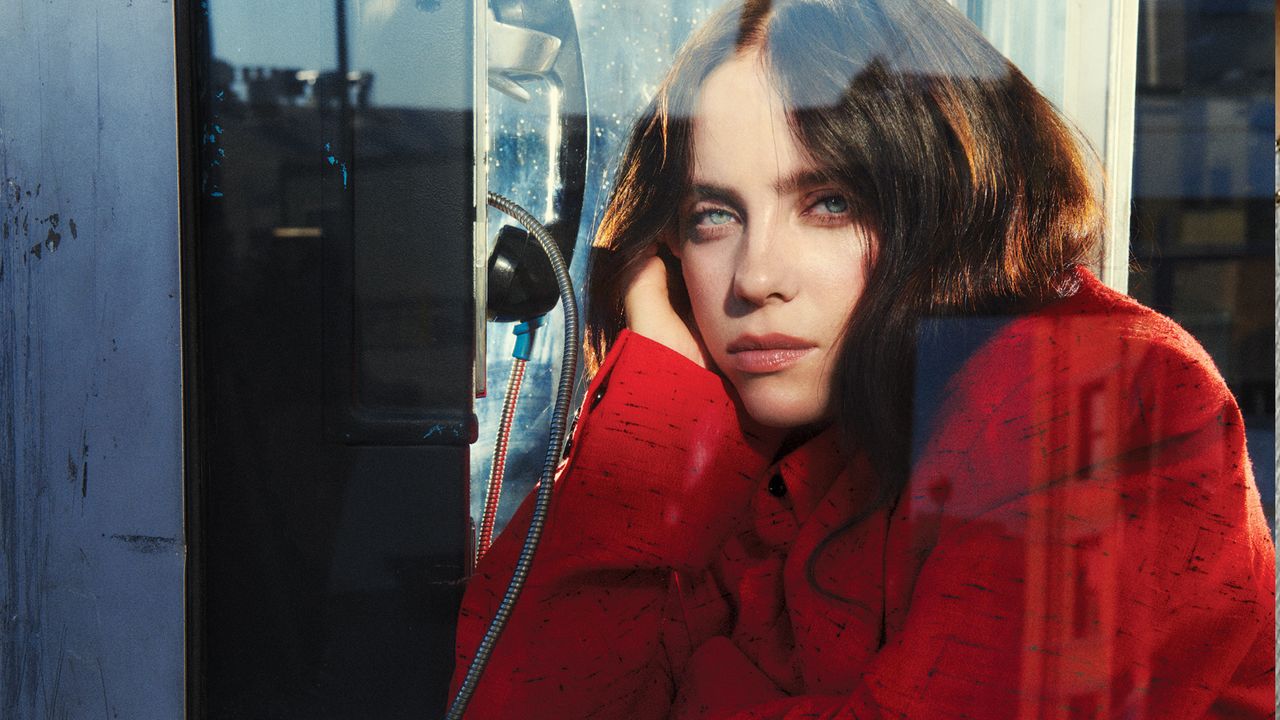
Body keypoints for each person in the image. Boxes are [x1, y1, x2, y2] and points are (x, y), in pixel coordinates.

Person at [452, 0, 1275, 717]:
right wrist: (659, 410)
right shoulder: (746, 444)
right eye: (714, 215)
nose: (757, 277)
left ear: (948, 194)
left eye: (830, 203)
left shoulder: (1108, 389)